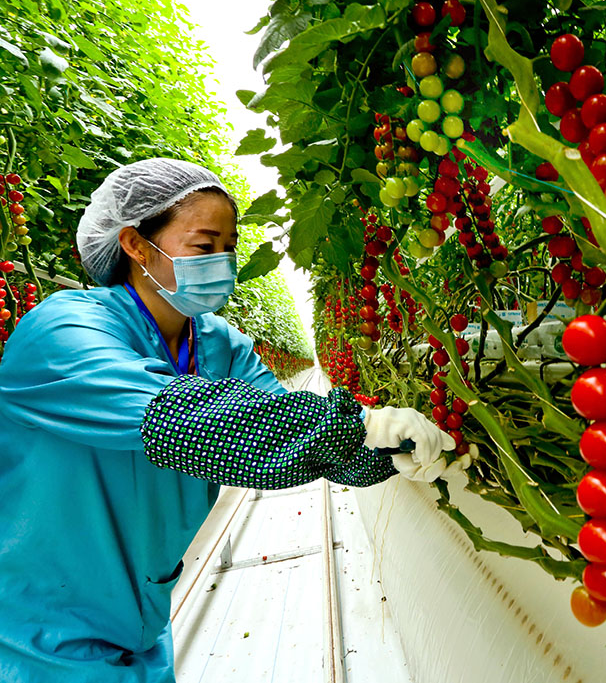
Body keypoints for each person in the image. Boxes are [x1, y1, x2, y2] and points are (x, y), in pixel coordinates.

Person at [0, 158, 466, 682]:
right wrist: (362, 422)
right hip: (34, 627)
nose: (222, 262)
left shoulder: (218, 343)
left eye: (229, 247)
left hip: (142, 619)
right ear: (134, 245)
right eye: (204, 246)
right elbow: (189, 417)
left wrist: (385, 453)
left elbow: (290, 432)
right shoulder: (62, 332)